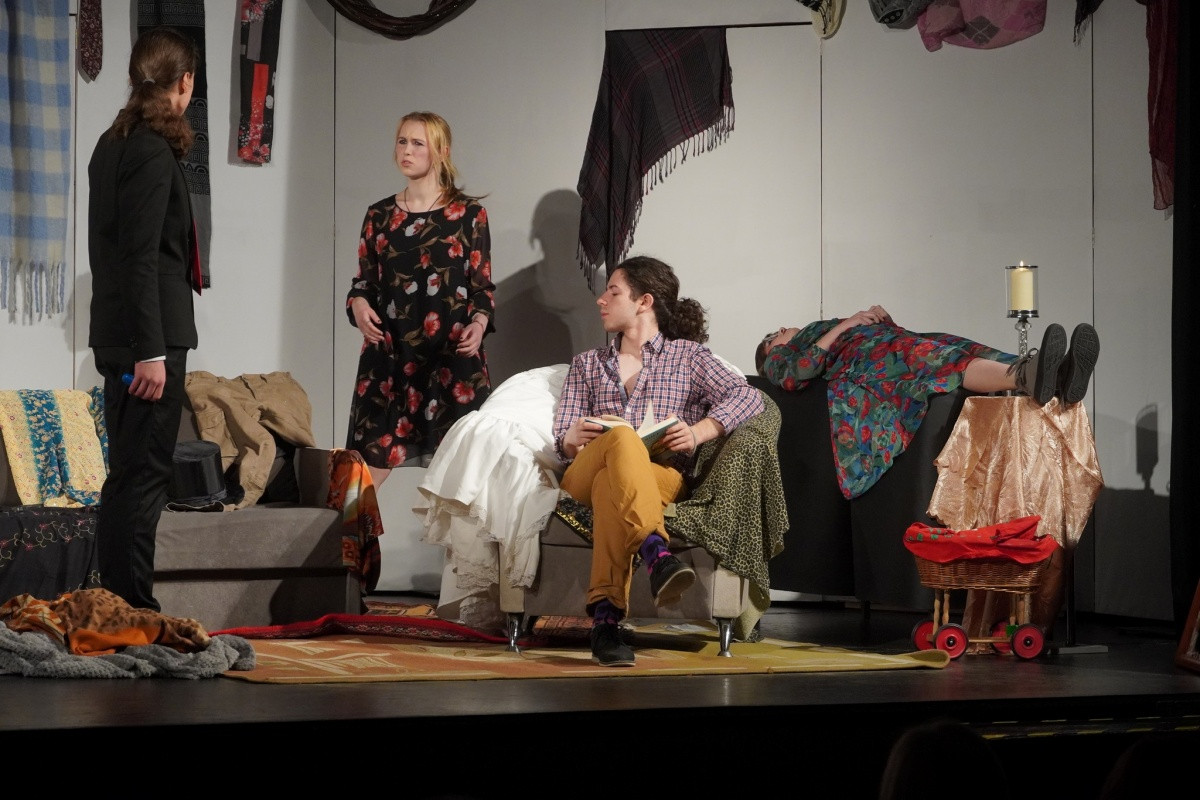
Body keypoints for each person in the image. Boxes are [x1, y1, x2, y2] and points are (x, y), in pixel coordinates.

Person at [553, 255, 765, 666]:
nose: (601, 300)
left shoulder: (688, 357)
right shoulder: (587, 364)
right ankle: (655, 552)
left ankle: (605, 623)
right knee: (620, 439)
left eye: (613, 292)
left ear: (644, 301)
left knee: (612, 485)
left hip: (659, 475)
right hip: (583, 474)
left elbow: (749, 396)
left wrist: (699, 431)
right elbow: (562, 434)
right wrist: (570, 439)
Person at [87, 27, 201, 611]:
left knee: (127, 473)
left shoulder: (111, 142)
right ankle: (133, 609)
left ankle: (117, 603)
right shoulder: (153, 150)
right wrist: (150, 351)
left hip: (120, 335)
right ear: (185, 83)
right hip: (147, 343)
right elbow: (139, 257)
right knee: (145, 474)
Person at [755, 306, 1099, 499]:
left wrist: (882, 320)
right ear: (771, 353)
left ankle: (1058, 376)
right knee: (946, 361)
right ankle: (1025, 376)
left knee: (963, 348)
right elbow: (797, 374)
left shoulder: (811, 333)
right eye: (773, 337)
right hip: (875, 359)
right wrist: (847, 324)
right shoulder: (780, 359)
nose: (781, 329)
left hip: (891, 342)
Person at [345, 111, 494, 488]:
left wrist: (479, 324)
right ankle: (346, 533)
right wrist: (358, 304)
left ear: (442, 151)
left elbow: (482, 288)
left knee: (468, 483)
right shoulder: (379, 215)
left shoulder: (469, 215)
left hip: (450, 360)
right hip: (391, 360)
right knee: (357, 485)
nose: (406, 151)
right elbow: (364, 283)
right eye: (402, 141)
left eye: (417, 143)